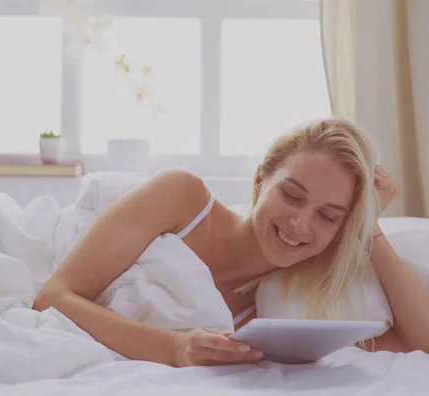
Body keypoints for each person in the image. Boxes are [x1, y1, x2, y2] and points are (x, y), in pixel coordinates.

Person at [33, 117, 429, 367]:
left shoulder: (290, 308)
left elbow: (420, 344)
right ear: (260, 182)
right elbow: (52, 296)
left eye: (328, 216)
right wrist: (175, 348)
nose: (299, 223)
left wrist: (369, 229)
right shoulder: (181, 197)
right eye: (291, 195)